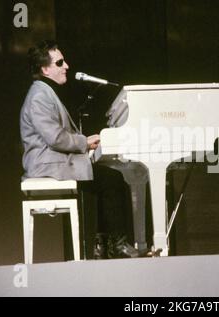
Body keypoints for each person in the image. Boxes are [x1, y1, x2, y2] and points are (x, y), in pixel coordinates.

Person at [20, 40, 142, 259]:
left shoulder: (45, 92)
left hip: (53, 160)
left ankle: (103, 245)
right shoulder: (40, 95)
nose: (66, 65)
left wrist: (84, 143)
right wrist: (84, 142)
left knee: (105, 177)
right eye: (59, 62)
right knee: (110, 178)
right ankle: (116, 245)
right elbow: (55, 137)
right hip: (46, 164)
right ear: (45, 69)